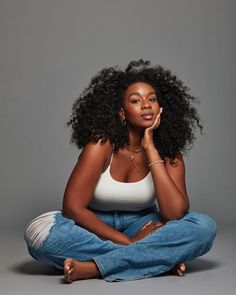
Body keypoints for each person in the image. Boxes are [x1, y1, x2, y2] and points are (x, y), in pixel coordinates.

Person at [24, 59, 217, 283]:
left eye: (152, 99)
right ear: (122, 113)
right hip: (94, 225)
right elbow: (73, 208)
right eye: (136, 100)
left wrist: (151, 151)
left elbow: (174, 214)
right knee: (41, 235)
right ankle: (158, 260)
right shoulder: (101, 145)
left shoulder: (169, 154)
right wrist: (131, 243)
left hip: (143, 222)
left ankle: (93, 268)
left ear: (161, 109)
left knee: (204, 227)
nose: (146, 105)